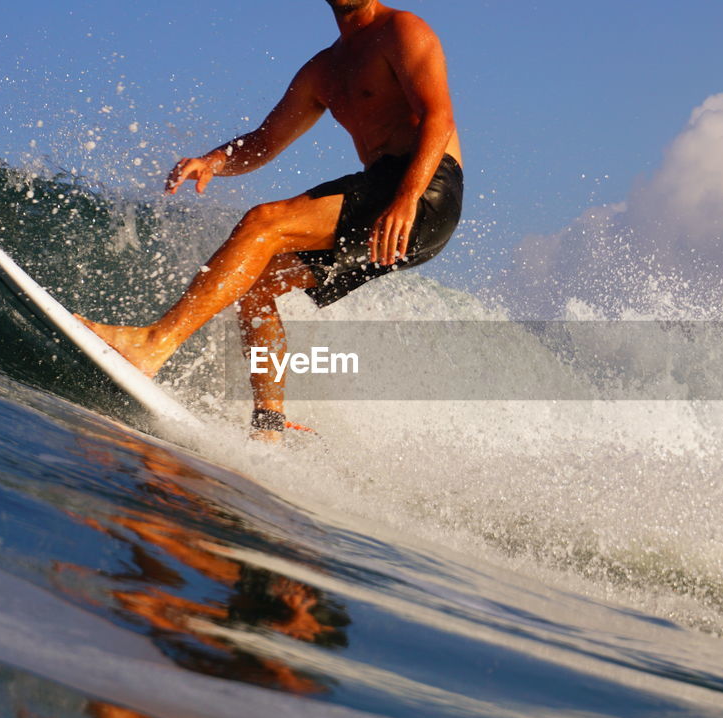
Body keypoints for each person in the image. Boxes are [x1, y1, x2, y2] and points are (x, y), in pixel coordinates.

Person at [79, 0, 463, 441]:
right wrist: (213, 161)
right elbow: (265, 140)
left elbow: (439, 115)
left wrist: (407, 197)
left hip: (424, 188)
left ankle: (153, 345)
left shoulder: (402, 30)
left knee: (263, 222)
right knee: (256, 282)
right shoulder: (323, 70)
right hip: (389, 193)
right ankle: (269, 424)